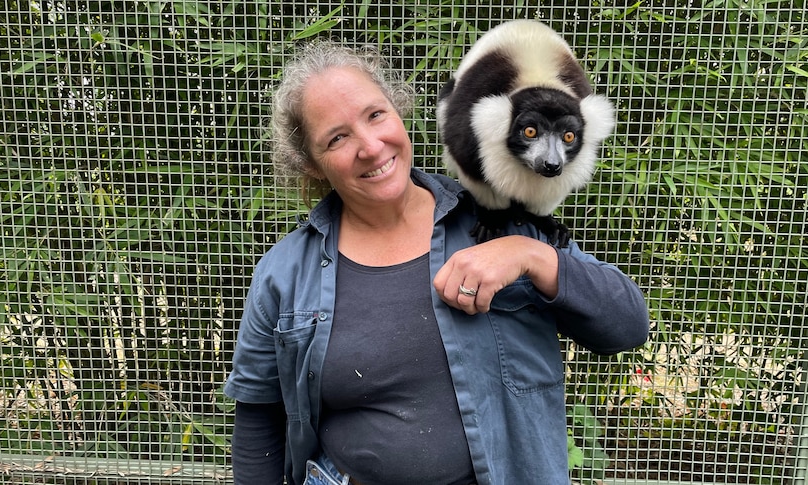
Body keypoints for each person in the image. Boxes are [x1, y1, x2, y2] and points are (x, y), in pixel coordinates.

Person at [223, 40, 650, 485]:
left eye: (375, 115)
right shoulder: (285, 272)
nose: (370, 146)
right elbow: (259, 422)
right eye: (337, 137)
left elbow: (627, 326)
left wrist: (532, 256)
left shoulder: (499, 220)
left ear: (399, 111)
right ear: (311, 164)